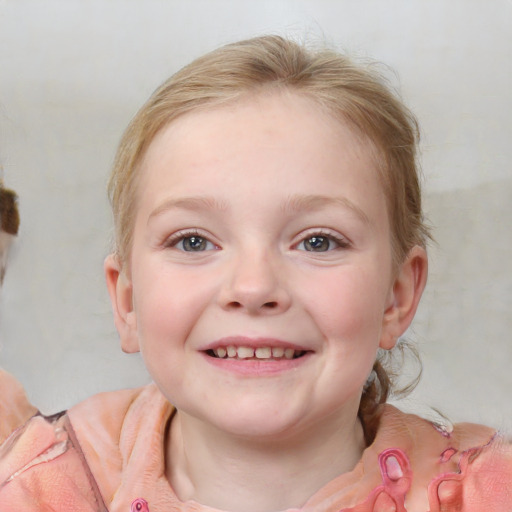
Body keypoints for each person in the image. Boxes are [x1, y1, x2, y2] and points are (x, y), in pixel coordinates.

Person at [0, 35, 510, 512]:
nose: (253, 288)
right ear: (128, 302)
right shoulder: (42, 487)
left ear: (396, 296)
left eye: (317, 241)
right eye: (194, 241)